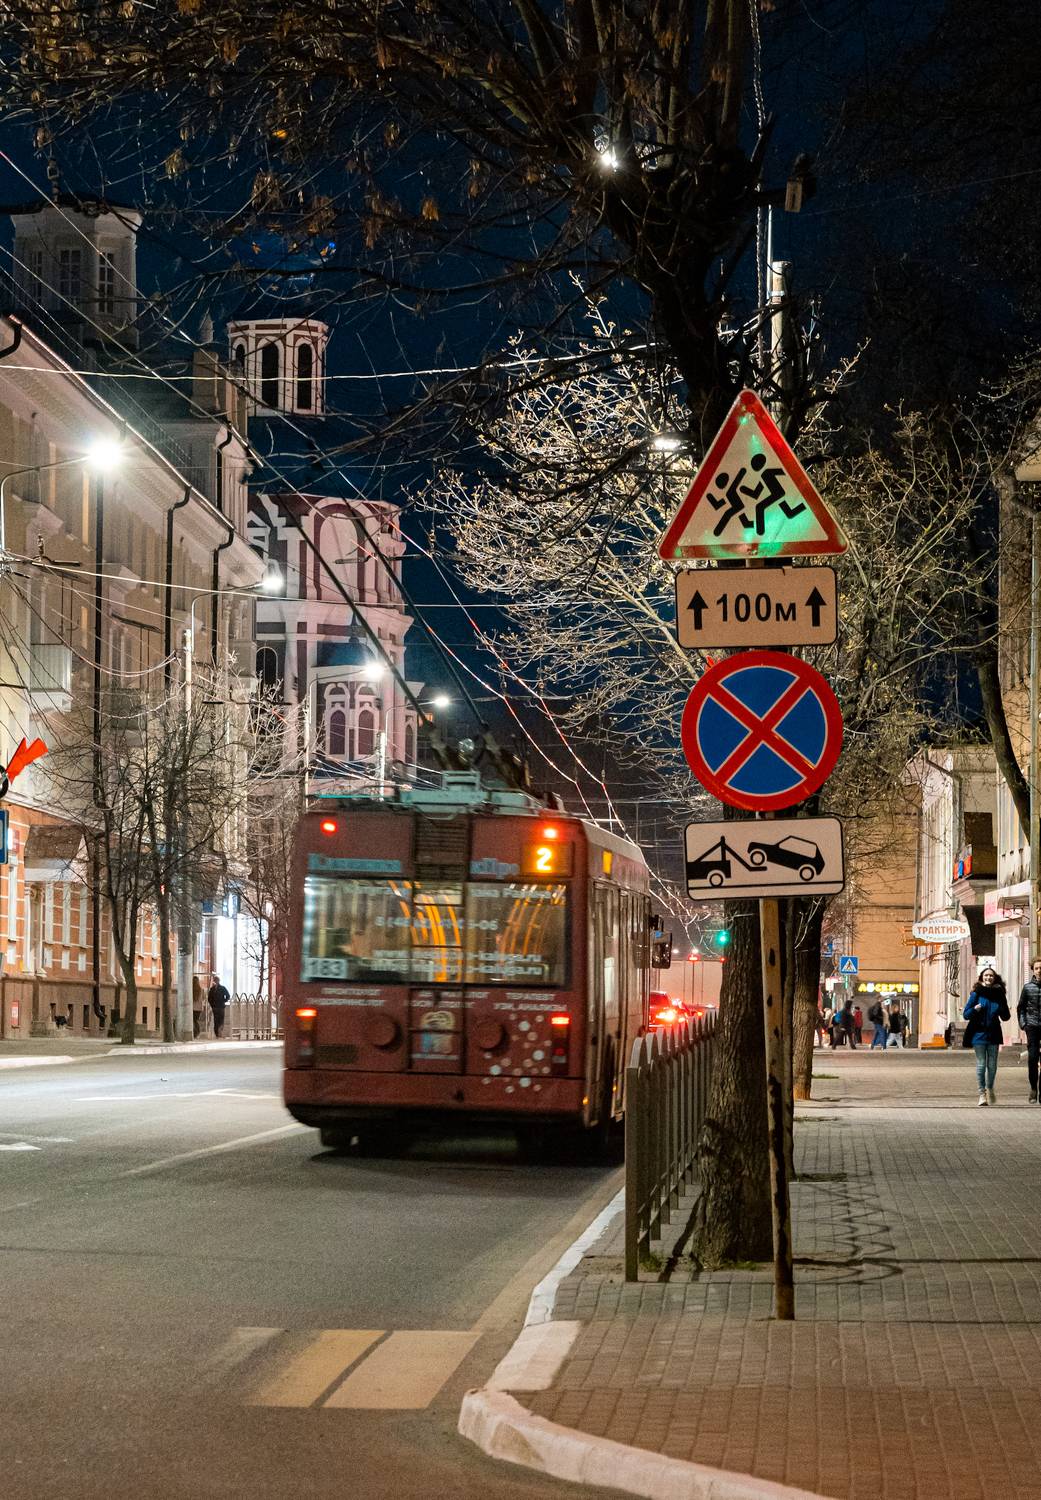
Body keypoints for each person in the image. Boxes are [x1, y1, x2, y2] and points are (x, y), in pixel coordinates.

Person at [963, 966, 1010, 1106]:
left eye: (991, 976)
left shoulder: (999, 994)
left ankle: (990, 1088)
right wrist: (975, 1009)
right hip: (978, 1033)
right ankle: (982, 1094)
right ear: (982, 978)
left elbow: (1006, 1016)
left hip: (994, 1032)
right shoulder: (976, 993)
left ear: (994, 978)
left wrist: (1002, 1008)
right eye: (986, 975)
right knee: (981, 1064)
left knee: (992, 1064)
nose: (988, 977)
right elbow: (966, 1014)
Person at [1017, 957, 1041, 1102]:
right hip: (1032, 1026)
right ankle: (1033, 1088)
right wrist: (1024, 1024)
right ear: (1033, 970)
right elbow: (1021, 1008)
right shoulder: (1027, 988)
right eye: (1037, 968)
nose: (1039, 971)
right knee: (1032, 1058)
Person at [207, 973, 230, 1039]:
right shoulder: (212, 989)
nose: (216, 981)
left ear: (219, 981)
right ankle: (217, 1034)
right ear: (214, 981)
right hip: (215, 1007)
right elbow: (209, 998)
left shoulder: (222, 988)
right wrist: (212, 1005)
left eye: (217, 980)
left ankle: (220, 1032)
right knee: (216, 1020)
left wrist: (223, 1001)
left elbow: (228, 996)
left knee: (221, 1020)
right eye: (215, 980)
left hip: (221, 1006)